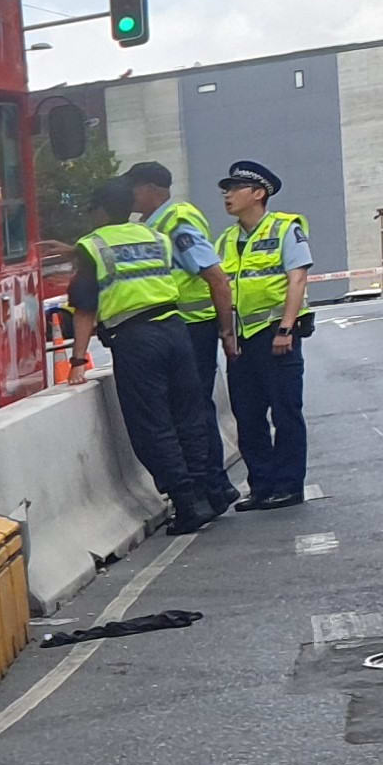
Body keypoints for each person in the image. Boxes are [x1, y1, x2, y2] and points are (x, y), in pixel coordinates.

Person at [71, 176, 235, 533]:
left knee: (153, 425)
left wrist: (78, 360)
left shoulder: (93, 245)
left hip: (136, 339)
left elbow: (84, 308)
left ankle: (186, 502)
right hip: (176, 331)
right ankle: (208, 492)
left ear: (99, 211)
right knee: (189, 417)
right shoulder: (156, 237)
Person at [121, 161, 236, 519]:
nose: (131, 195)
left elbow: (216, 277)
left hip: (192, 326)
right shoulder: (154, 225)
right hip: (178, 328)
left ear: (152, 188)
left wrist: (226, 330)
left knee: (195, 410)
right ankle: (213, 486)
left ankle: (214, 486)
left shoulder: (176, 223)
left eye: (134, 187)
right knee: (189, 410)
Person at [216, 159, 312, 508]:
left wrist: (286, 328)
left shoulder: (285, 228)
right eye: (225, 189)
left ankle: (288, 485)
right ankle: (261, 485)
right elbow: (223, 288)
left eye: (234, 188)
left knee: (285, 411)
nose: (227, 195)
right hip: (241, 339)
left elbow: (297, 278)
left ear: (257, 193)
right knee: (247, 413)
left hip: (276, 334)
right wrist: (226, 334)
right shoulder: (226, 239)